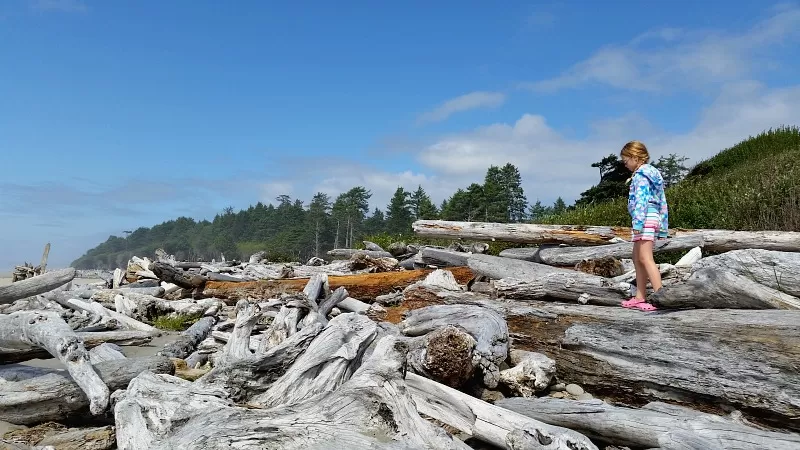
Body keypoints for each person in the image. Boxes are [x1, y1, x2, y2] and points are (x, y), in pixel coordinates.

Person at [619, 140, 668, 312]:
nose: (625, 165)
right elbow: (663, 201)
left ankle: (660, 296)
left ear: (634, 157)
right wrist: (663, 226)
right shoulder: (653, 175)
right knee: (637, 257)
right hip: (650, 217)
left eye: (626, 161)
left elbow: (641, 201)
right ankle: (640, 296)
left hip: (644, 218)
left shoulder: (641, 176)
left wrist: (638, 223)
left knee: (646, 258)